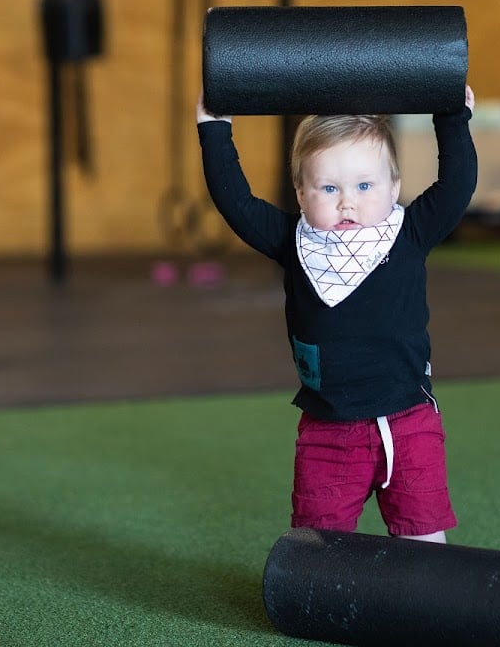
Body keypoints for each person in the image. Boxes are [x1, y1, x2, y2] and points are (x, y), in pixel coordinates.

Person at [196, 86, 478, 543]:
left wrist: (452, 118)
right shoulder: (294, 241)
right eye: (329, 188)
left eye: (365, 186)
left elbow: (457, 185)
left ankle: (422, 605)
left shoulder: (409, 232)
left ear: (395, 187)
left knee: (425, 542)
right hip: (328, 432)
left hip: (408, 423)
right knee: (319, 550)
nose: (348, 202)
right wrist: (215, 129)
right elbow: (237, 203)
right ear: (302, 194)